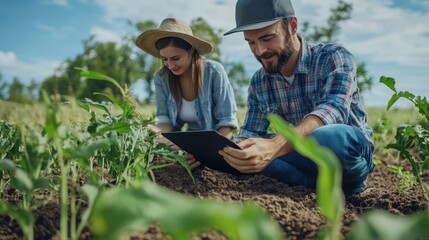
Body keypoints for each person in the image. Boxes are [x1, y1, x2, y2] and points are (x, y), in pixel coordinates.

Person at [219, 0, 374, 194]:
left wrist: (275, 145)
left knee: (324, 137)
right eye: (251, 42)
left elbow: (333, 108)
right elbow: (250, 133)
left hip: (344, 151)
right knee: (250, 159)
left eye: (267, 38)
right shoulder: (259, 82)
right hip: (302, 157)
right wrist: (222, 153)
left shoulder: (334, 57)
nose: (260, 51)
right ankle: (310, 186)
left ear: (292, 26)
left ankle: (351, 186)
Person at [135, 18, 238, 168]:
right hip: (187, 145)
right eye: (164, 59)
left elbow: (227, 123)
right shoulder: (161, 78)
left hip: (219, 146)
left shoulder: (214, 72)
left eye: (176, 58)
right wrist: (156, 133)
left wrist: (207, 152)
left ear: (191, 51)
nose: (170, 65)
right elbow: (165, 120)